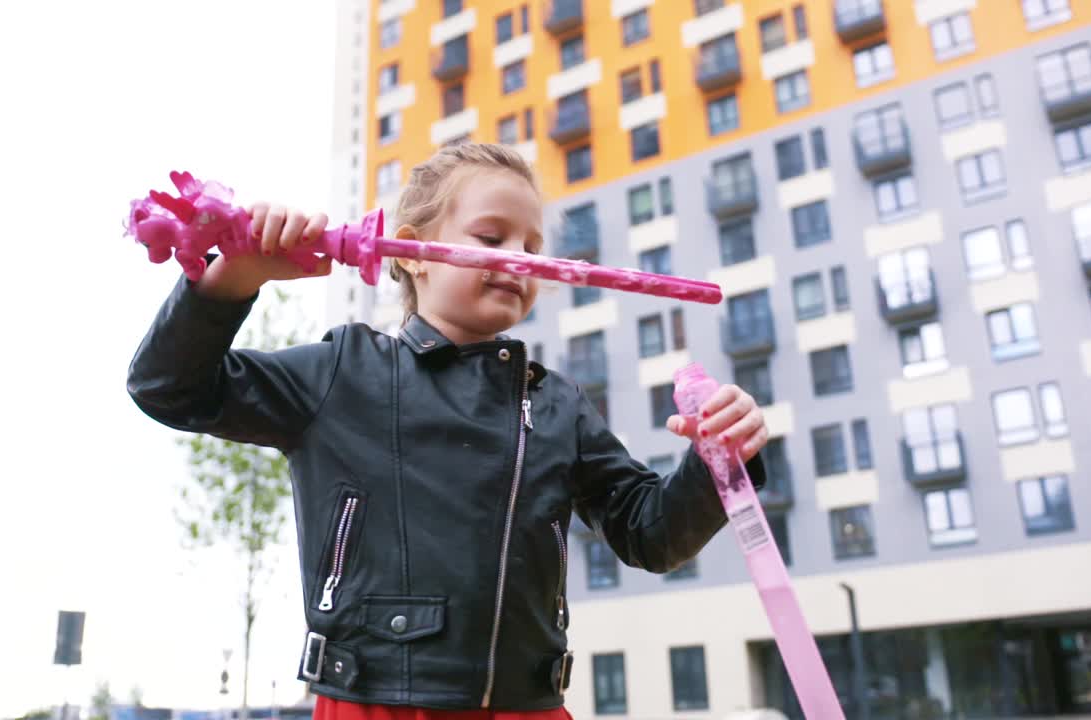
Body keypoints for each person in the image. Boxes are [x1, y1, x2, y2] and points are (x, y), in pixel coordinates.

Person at [127, 143, 770, 719]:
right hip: (373, 706)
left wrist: (718, 461)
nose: (519, 261)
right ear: (413, 254)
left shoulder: (556, 404)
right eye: (491, 238)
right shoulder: (343, 372)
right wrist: (234, 279)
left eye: (532, 247)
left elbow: (651, 535)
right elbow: (169, 387)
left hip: (528, 708)